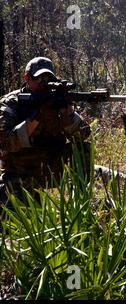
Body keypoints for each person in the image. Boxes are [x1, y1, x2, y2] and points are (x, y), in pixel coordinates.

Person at [0, 57, 91, 210]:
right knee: (17, 223)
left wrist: (68, 116)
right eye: (39, 79)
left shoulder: (56, 99)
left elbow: (83, 135)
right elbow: (6, 143)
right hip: (22, 171)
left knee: (83, 150)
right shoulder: (11, 103)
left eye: (48, 78)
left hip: (52, 167)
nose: (44, 83)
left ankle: (81, 207)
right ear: (27, 78)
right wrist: (37, 117)